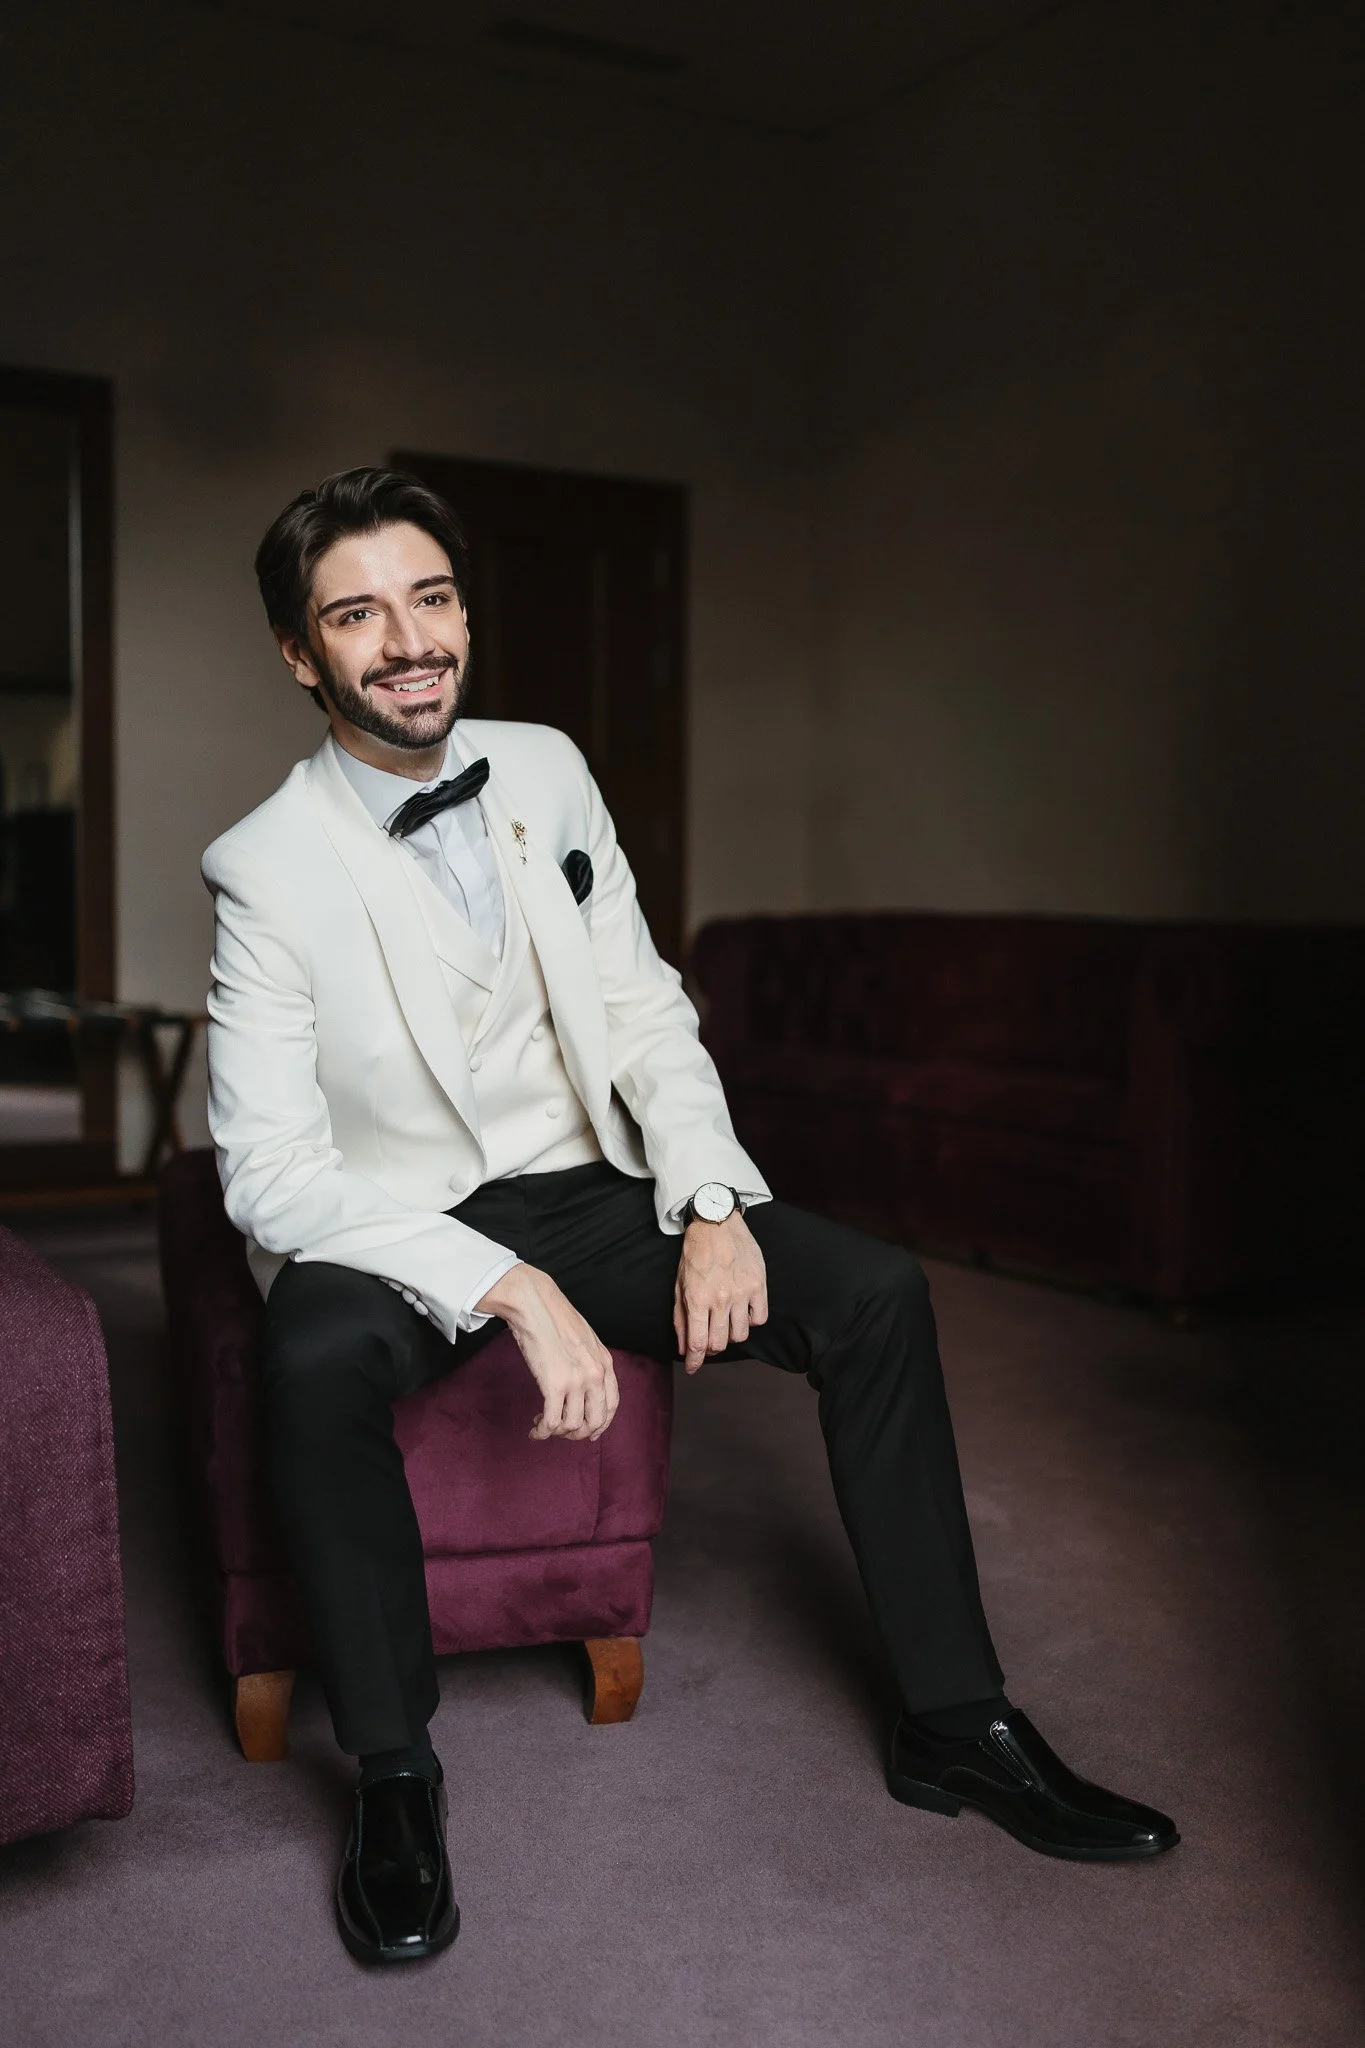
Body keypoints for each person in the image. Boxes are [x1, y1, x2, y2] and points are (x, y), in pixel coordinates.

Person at [203, 466, 1177, 1966]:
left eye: (432, 597)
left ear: (464, 610)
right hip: (388, 1218)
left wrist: (713, 1195)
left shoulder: (544, 767)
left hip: (583, 1182)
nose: (408, 640)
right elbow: (268, 1172)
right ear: (300, 654)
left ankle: (955, 1719)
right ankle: (396, 1778)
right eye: (357, 614)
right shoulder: (262, 871)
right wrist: (507, 1288)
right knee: (315, 1361)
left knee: (874, 1295)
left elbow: (646, 1005)